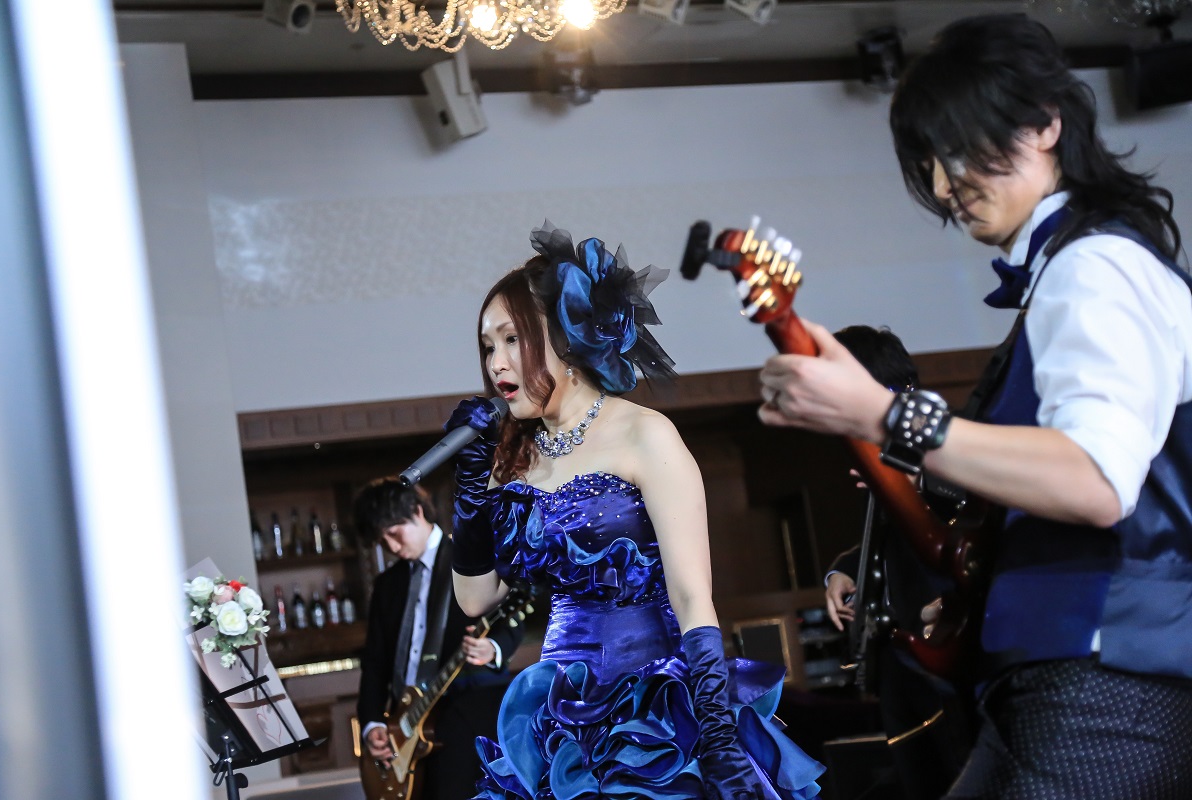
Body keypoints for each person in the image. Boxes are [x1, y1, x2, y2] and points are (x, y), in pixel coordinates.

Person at [757, 13, 1192, 800]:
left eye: (956, 149)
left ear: (1045, 123)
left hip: (1109, 671)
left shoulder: (1095, 265)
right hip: (1074, 669)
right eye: (927, 162)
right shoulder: (1073, 269)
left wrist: (889, 417)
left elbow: (1096, 481)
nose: (940, 185)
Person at [443, 222, 825, 800]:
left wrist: (716, 730)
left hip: (655, 706)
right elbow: (474, 598)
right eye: (487, 346)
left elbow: (691, 595)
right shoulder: (511, 461)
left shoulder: (645, 435)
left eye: (512, 339)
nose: (497, 363)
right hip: (562, 717)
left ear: (564, 336)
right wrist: (470, 494)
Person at [821, 325, 968, 800]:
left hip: (942, 651)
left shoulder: (942, 437)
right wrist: (843, 570)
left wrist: (912, 479)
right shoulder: (880, 446)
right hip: (900, 665)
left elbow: (966, 511)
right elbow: (893, 536)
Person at [354, 478, 524, 800]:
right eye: (382, 541)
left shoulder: (472, 559)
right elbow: (375, 662)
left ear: (417, 511)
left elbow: (510, 617)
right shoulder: (387, 584)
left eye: (394, 533)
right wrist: (372, 723)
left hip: (463, 715)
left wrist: (493, 647)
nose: (392, 547)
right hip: (404, 725)